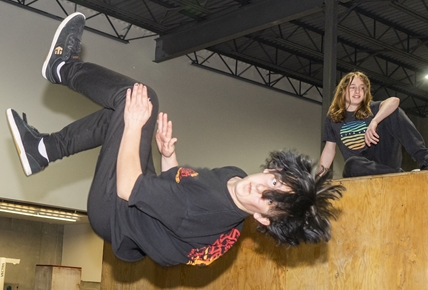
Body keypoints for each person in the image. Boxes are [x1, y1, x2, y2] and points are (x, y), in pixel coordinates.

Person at [6, 13, 344, 266]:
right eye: (271, 180)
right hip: (139, 204)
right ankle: (42, 149)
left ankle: (61, 68)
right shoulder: (233, 177)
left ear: (264, 219)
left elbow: (129, 187)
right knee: (124, 118)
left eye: (268, 199)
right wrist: (169, 154)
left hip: (115, 211)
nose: (258, 186)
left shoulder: (201, 213)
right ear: (273, 169)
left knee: (136, 101)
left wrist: (137, 125)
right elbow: (181, 185)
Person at [320, 71, 428, 178]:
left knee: (392, 111)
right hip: (362, 167)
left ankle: (424, 159)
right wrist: (318, 179)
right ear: (342, 91)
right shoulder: (333, 118)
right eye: (352, 87)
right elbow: (329, 150)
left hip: (385, 158)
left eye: (362, 88)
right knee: (351, 164)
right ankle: (396, 174)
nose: (357, 91)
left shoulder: (372, 108)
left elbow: (394, 101)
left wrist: (374, 121)